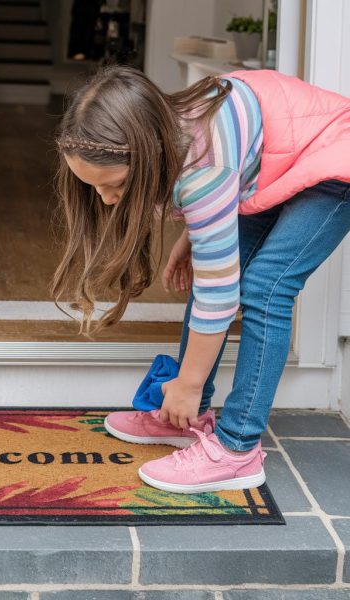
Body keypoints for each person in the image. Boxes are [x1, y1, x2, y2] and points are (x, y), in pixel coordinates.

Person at [51, 64, 350, 494]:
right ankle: (187, 417)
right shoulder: (168, 133)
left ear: (147, 151)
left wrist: (187, 384)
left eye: (113, 185)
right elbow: (213, 207)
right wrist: (194, 236)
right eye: (93, 187)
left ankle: (237, 451)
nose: (106, 198)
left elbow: (219, 290)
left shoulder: (204, 171)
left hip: (333, 155)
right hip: (270, 157)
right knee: (211, 274)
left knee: (266, 288)